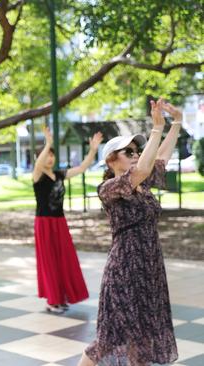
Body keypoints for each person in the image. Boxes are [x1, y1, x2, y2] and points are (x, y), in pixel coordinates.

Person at [79, 98, 180, 365]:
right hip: (125, 268)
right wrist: (156, 128)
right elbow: (146, 166)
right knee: (109, 337)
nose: (136, 154)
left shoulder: (142, 186)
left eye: (137, 150)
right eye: (129, 151)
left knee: (144, 335)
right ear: (112, 160)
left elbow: (160, 158)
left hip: (149, 268)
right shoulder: (110, 188)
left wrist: (176, 122)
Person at [32, 126, 102, 313]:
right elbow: (39, 164)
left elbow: (81, 168)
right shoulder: (37, 175)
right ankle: (52, 300)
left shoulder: (59, 175)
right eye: (47, 155)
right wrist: (48, 143)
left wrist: (93, 150)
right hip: (44, 223)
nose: (50, 158)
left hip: (59, 222)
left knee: (63, 260)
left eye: (52, 155)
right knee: (49, 261)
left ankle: (62, 297)